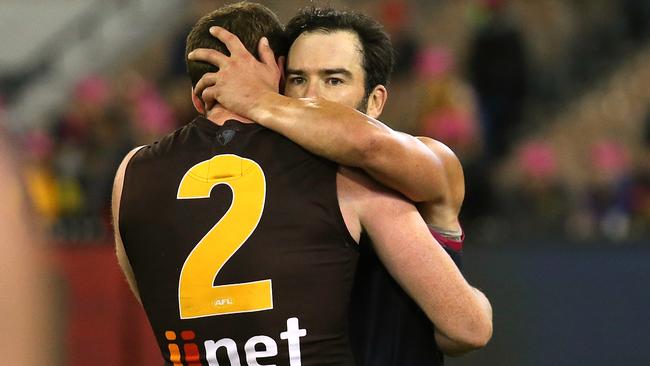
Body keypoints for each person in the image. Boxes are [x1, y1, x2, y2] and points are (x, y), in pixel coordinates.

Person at [113, 2, 491, 365]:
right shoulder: (306, 174)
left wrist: (259, 100)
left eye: (333, 79)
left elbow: (368, 144)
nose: (311, 97)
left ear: (375, 101)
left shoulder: (422, 160)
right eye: (297, 79)